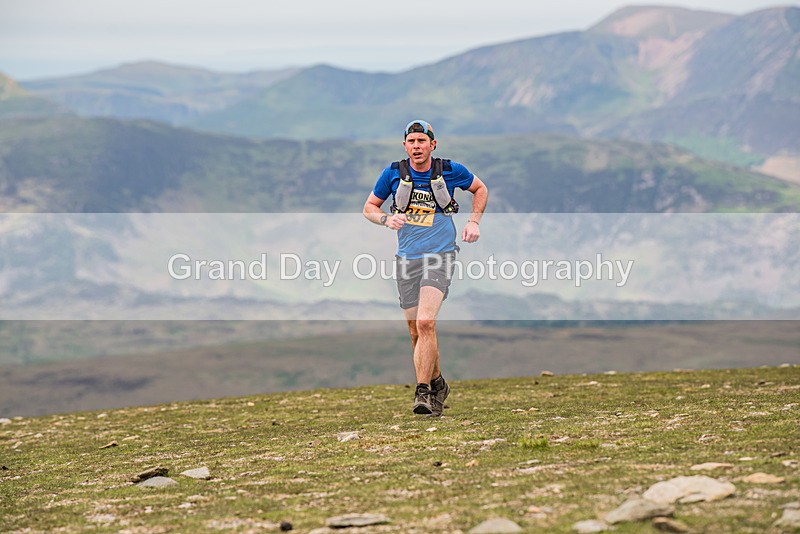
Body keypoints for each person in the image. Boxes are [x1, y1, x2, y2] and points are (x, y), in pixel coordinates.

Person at [363, 119, 488, 416]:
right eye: (412, 142)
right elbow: (369, 206)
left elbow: (480, 189)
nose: (417, 146)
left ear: (433, 145)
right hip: (407, 258)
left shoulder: (450, 170)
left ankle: (422, 393)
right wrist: (385, 219)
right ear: (405, 146)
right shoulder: (393, 173)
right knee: (416, 332)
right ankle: (438, 384)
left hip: (440, 255)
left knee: (425, 323)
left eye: (422, 141)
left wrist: (473, 222)